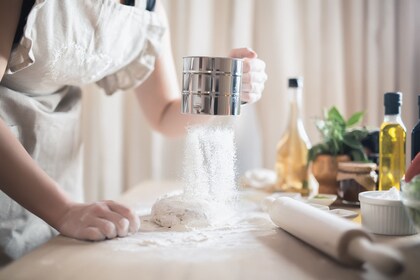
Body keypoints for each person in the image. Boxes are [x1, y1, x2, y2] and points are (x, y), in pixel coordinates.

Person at [0, 0, 268, 262]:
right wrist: (64, 210)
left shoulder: (147, 8)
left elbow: (164, 114)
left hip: (58, 165)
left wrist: (223, 89)